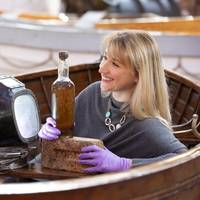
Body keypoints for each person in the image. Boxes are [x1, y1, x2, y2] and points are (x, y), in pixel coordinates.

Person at [39, 30, 187, 173]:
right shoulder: (93, 93)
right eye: (104, 58)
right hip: (48, 174)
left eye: (115, 64)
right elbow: (63, 132)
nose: (102, 69)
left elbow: (185, 160)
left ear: (139, 74)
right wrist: (49, 131)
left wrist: (124, 164)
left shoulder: (148, 126)